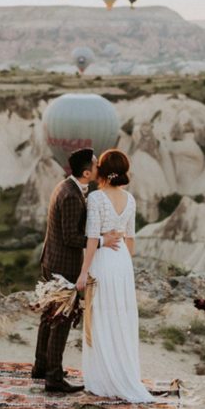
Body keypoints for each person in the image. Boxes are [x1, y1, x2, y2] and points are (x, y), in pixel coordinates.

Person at [33, 148, 122, 394]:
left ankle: (41, 367)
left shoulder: (66, 187)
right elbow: (71, 237)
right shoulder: (72, 195)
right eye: (95, 165)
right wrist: (102, 241)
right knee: (60, 319)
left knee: (49, 315)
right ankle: (53, 378)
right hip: (63, 265)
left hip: (52, 259)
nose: (98, 167)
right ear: (86, 172)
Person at [76, 149, 154, 403]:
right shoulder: (130, 199)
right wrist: (124, 265)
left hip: (103, 259)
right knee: (120, 316)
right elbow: (130, 239)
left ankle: (103, 379)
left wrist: (84, 270)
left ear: (104, 171)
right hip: (122, 261)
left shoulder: (96, 199)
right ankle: (123, 373)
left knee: (100, 316)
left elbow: (91, 238)